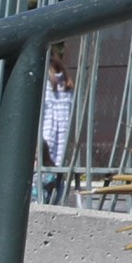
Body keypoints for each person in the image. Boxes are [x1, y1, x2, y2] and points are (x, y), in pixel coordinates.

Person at [35, 59, 77, 204]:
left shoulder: (45, 85)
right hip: (60, 146)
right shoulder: (67, 85)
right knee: (55, 184)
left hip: (46, 140)